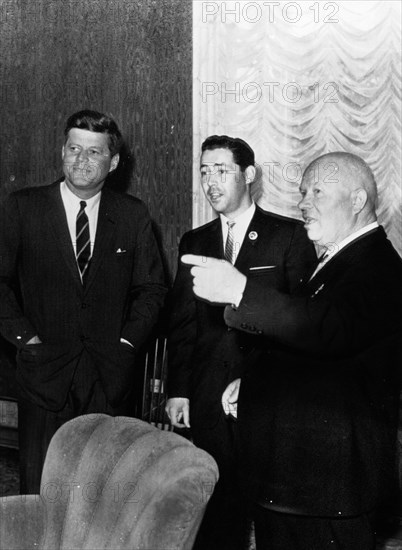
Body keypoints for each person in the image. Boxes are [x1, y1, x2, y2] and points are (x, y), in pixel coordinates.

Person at [182, 152, 402, 550]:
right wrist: (250, 383)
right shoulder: (336, 261)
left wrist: (240, 291)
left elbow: (324, 329)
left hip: (329, 488)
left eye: (318, 191)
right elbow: (307, 349)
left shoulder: (378, 266)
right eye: (303, 193)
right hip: (299, 484)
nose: (304, 203)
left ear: (356, 200)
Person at [0, 109, 166, 494]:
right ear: (62, 151)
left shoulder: (132, 215)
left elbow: (152, 290)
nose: (81, 160)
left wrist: (126, 344)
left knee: (100, 494)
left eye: (94, 152)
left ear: (114, 161)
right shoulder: (24, 207)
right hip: (44, 377)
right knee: (40, 492)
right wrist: (27, 342)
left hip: (107, 380)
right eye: (74, 148)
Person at [165, 135, 316, 549]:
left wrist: (259, 379)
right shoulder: (194, 242)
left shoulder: (288, 237)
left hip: (264, 394)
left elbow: (300, 323)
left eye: (221, 171)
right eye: (204, 172)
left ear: (249, 175)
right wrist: (178, 390)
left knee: (271, 510)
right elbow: (183, 324)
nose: (211, 182)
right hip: (208, 395)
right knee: (215, 511)